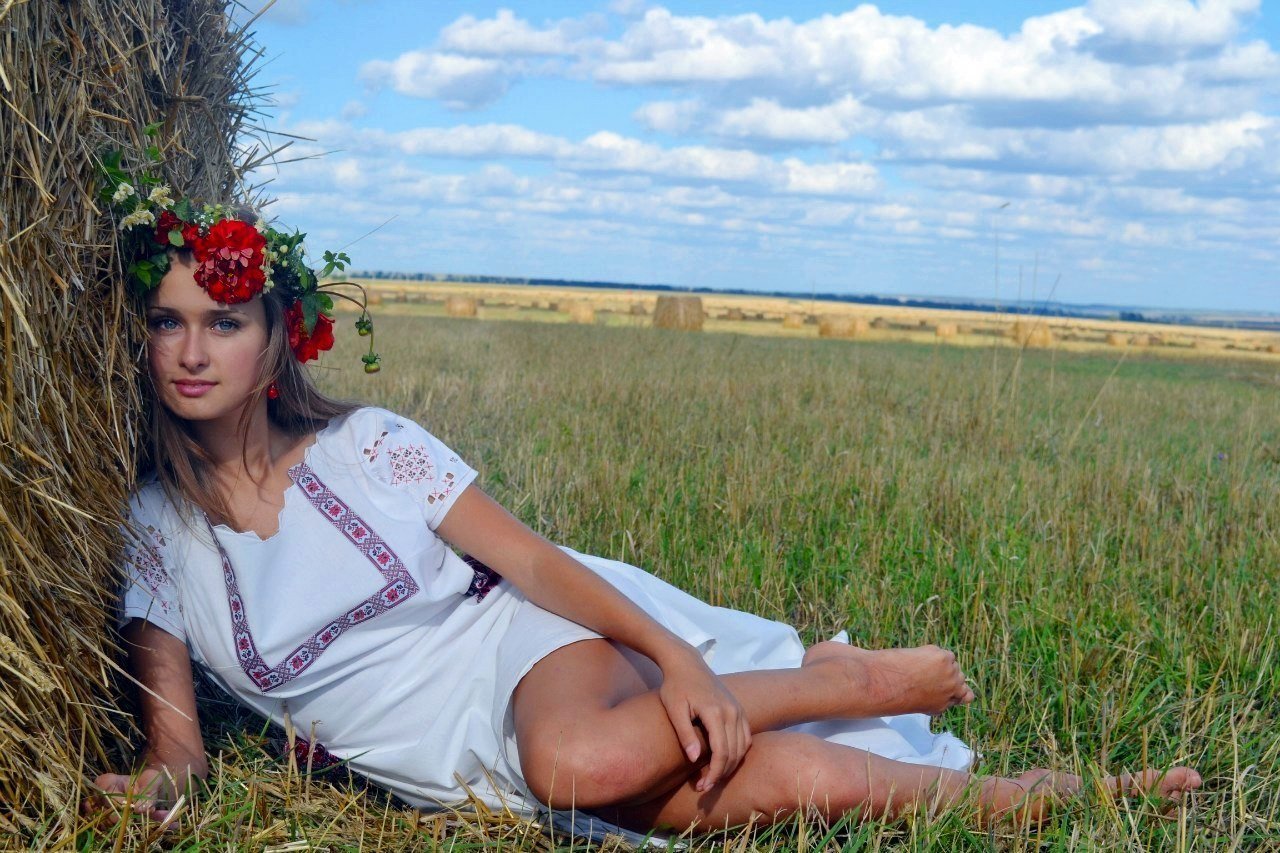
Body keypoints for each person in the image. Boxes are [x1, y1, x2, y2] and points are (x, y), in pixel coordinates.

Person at [89, 181, 1201, 836]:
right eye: (166, 323)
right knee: (797, 784)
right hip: (460, 759)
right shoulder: (153, 532)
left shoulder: (366, 446)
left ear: (276, 339)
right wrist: (151, 788)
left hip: (527, 652)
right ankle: (1037, 796)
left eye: (223, 322)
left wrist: (676, 660)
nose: (191, 351)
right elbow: (177, 743)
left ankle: (844, 681)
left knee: (575, 758)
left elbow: (534, 564)